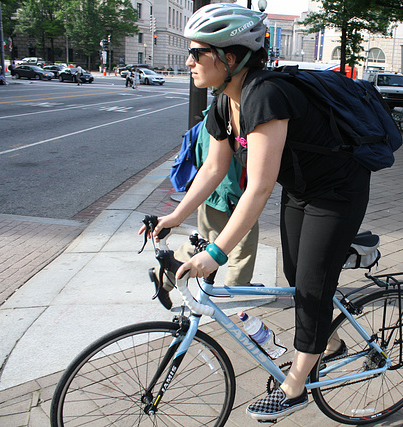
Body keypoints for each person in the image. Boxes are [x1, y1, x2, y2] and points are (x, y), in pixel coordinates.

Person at [140, 3, 370, 421]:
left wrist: (215, 253)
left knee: (313, 287)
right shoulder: (224, 102)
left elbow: (259, 188)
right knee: (298, 279)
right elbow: (213, 168)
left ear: (230, 58)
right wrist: (175, 217)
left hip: (337, 191)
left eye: (198, 52)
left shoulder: (265, 93)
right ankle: (330, 343)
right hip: (301, 190)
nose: (190, 61)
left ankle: (296, 388)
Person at [149, 106, 260, 310]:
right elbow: (216, 167)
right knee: (218, 240)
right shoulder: (223, 115)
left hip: (220, 193)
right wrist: (233, 197)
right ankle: (165, 275)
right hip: (224, 193)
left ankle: (238, 282)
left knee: (221, 238)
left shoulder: (221, 111)